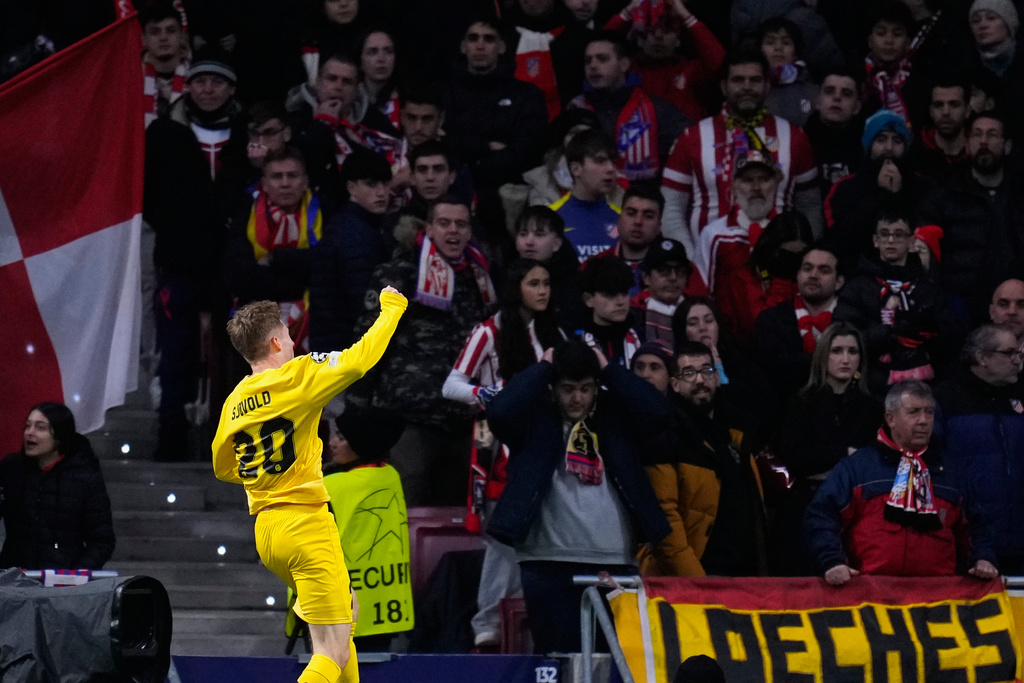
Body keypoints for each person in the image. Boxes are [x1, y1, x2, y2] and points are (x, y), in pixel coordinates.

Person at [212, 288, 408, 683]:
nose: (291, 342)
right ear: (274, 342)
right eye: (287, 335)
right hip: (305, 525)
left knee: (345, 619)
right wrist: (393, 309)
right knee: (330, 651)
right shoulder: (297, 377)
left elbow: (223, 464)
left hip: (268, 532)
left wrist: (265, 477)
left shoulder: (235, 400)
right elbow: (358, 360)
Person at [485, 339, 671, 654]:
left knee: (616, 662)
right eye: (567, 389)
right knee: (558, 659)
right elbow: (499, 411)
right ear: (552, 388)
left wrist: (609, 370)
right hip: (546, 562)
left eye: (586, 389)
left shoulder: (616, 415)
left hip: (614, 559)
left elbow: (660, 412)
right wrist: (543, 368)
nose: (577, 398)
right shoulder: (533, 417)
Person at [442, 259, 564, 649]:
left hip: (545, 443)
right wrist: (492, 395)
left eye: (546, 283)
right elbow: (451, 385)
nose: (543, 291)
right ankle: (488, 624)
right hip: (499, 448)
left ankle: (523, 622)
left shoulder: (554, 331)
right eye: (534, 283)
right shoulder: (488, 331)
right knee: (502, 541)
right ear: (516, 288)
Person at [346, 196, 498, 506]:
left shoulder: (480, 277)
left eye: (461, 224)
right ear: (428, 228)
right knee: (405, 506)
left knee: (455, 516)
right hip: (410, 417)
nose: (453, 231)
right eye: (444, 223)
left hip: (463, 419)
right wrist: (357, 406)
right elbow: (369, 341)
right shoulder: (399, 274)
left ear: (470, 231)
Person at [144, 46, 242, 461]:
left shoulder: (246, 133)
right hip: (179, 263)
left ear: (231, 88)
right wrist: (177, 227)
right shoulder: (164, 133)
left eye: (217, 81)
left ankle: (234, 441)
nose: (208, 89)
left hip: (232, 267)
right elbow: (147, 193)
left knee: (239, 355)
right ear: (188, 86)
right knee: (175, 355)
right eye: (200, 81)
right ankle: (171, 437)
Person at [804, 380, 999, 584]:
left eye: (929, 412)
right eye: (914, 412)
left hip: (938, 593)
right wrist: (831, 562)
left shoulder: (952, 471)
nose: (924, 420)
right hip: (869, 592)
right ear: (891, 418)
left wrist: (983, 558)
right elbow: (822, 516)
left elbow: (977, 525)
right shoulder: (857, 468)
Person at [660, 50, 821, 254]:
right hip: (710, 263)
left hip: (780, 264)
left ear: (767, 85)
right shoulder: (692, 138)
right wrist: (692, 262)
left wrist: (803, 258)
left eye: (755, 80)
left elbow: (811, 207)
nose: (746, 87)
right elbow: (671, 208)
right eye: (738, 80)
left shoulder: (795, 137)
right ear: (723, 86)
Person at [638, 341, 768, 577]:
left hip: (744, 577)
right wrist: (697, 581)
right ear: (675, 384)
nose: (700, 380)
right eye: (689, 373)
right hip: (696, 579)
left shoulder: (735, 433)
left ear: (717, 378)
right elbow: (665, 520)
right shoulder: (663, 435)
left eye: (707, 370)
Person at [774, 323, 882, 575]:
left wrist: (828, 459)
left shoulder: (873, 408)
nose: (845, 359)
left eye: (853, 351)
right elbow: (795, 458)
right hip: (805, 506)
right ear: (823, 355)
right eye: (837, 351)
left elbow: (873, 461)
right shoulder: (800, 403)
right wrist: (846, 454)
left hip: (857, 511)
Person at [835, 206, 956, 394]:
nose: (891, 240)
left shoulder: (928, 286)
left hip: (924, 383)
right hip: (871, 385)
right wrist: (887, 334)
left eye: (899, 235)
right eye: (884, 234)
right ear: (876, 241)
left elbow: (949, 335)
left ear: (911, 242)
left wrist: (922, 335)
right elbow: (843, 334)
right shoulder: (858, 286)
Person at [919, 111, 1024, 323]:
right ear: (967, 145)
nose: (983, 141)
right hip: (963, 316)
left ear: (1007, 146)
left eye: (992, 134)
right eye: (977, 134)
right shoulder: (943, 199)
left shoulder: (1020, 195)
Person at [935, 324, 1024, 573]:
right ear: (982, 357)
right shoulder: (944, 398)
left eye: (1019, 353)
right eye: (1009, 353)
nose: (1017, 360)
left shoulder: (1021, 395)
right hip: (968, 543)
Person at [322, 406, 413, 651]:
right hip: (383, 610)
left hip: (335, 611)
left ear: (360, 443)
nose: (332, 443)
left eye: (341, 437)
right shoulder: (390, 476)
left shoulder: (330, 486)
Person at [224, 147, 326, 355]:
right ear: (265, 183)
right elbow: (242, 277)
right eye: (277, 176)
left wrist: (273, 259)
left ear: (305, 181)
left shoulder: (325, 212)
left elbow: (324, 265)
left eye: (292, 175)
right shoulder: (243, 216)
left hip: (315, 327)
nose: (285, 183)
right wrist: (300, 282)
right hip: (254, 329)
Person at [694, 155, 801, 347]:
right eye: (748, 180)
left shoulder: (791, 232)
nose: (756, 187)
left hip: (786, 341)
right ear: (734, 185)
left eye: (764, 179)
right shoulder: (715, 234)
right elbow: (702, 294)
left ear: (776, 184)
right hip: (731, 346)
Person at [0, 402, 115, 570]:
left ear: (60, 435)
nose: (29, 433)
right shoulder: (11, 468)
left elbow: (101, 540)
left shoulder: (85, 477)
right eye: (27, 426)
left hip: (63, 578)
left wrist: (73, 576)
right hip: (14, 576)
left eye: (40, 428)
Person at [568, 31, 690, 183]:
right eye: (588, 61)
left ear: (624, 64)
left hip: (641, 194)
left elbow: (688, 153)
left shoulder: (656, 109)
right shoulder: (576, 109)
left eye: (602, 59)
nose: (592, 65)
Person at [824, 109, 935, 264]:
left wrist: (898, 196)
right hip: (859, 272)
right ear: (869, 146)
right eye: (881, 139)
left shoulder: (925, 187)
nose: (889, 147)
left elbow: (929, 236)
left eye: (897, 140)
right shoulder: (845, 188)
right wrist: (880, 196)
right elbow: (839, 240)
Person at [310, 148, 394, 353]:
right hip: (348, 350)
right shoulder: (357, 235)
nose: (381, 192)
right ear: (351, 187)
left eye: (385, 183)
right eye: (371, 184)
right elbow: (364, 304)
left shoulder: (348, 226)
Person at [755, 244, 845, 401]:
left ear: (839, 282)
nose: (813, 275)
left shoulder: (851, 319)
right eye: (807, 268)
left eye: (824, 270)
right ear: (798, 275)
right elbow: (774, 368)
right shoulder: (771, 319)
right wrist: (828, 360)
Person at [613, 0, 725, 123]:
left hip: (685, 134)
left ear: (678, 40)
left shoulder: (691, 70)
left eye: (667, 30)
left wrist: (685, 15)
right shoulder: (625, 71)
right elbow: (600, 50)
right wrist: (628, 12)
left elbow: (720, 64)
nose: (658, 36)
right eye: (651, 29)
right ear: (639, 39)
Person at [550, 129, 622, 262]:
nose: (611, 169)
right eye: (600, 161)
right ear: (576, 169)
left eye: (613, 162)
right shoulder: (551, 218)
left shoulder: (622, 219)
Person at [513, 205, 585, 329]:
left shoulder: (577, 284)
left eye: (539, 235)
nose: (529, 242)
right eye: (523, 234)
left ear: (557, 243)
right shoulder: (507, 275)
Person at [592, 186, 667, 295]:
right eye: (631, 213)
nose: (638, 221)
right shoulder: (595, 266)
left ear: (659, 226)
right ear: (619, 219)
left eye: (648, 216)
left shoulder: (677, 270)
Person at [803, 69, 865, 197]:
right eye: (829, 91)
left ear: (857, 107)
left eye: (846, 94)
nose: (837, 98)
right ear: (817, 101)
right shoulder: (799, 142)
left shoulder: (868, 146)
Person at [631, 238, 697, 348]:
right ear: (646, 278)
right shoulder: (631, 315)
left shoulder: (698, 311)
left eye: (680, 271)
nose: (673, 278)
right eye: (664, 271)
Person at [579, 256, 642, 368]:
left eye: (624, 292)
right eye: (611, 294)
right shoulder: (576, 342)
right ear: (589, 299)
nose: (621, 301)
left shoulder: (643, 333)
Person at [757, 17, 818, 128]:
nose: (778, 48)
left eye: (786, 43)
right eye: (770, 42)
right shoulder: (751, 87)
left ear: (796, 52)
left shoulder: (814, 91)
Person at [910, 79, 971, 182]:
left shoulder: (979, 152)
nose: (946, 112)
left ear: (967, 110)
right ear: (931, 111)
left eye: (954, 104)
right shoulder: (913, 154)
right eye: (938, 105)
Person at [140, 2, 188, 129]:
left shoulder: (198, 75)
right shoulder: (131, 80)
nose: (163, 37)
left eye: (170, 31)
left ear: (182, 35)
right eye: (155, 32)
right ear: (143, 39)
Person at [990, 278, 1024, 345]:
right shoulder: (975, 349)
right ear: (992, 311)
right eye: (1003, 304)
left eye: (1022, 305)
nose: (1012, 311)